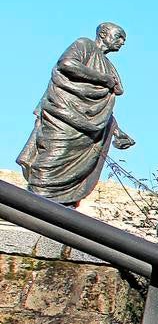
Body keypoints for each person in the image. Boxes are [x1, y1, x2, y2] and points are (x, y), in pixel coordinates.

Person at [17, 23, 135, 206]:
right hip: (62, 116)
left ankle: (60, 210)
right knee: (49, 163)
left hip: (86, 132)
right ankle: (32, 209)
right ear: (104, 34)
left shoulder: (109, 66)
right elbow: (67, 64)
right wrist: (103, 78)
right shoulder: (84, 45)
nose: (122, 42)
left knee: (74, 174)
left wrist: (117, 131)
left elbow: (102, 108)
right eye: (119, 36)